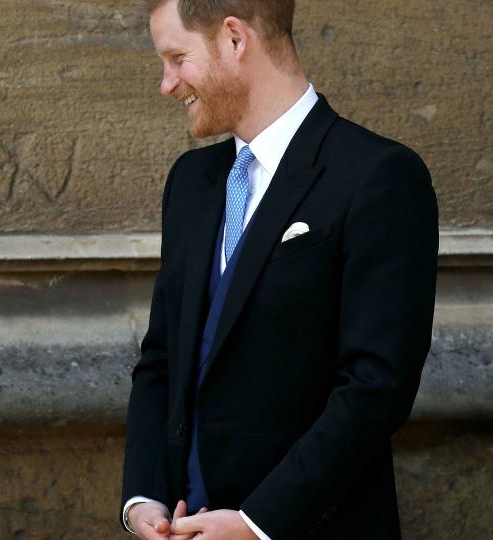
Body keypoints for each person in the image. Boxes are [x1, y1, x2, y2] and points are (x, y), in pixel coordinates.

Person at [121, 1, 437, 539]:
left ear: (234, 39)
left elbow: (376, 386)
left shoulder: (378, 175)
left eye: (177, 58)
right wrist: (142, 497)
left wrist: (255, 523)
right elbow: (162, 357)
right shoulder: (192, 181)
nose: (167, 84)